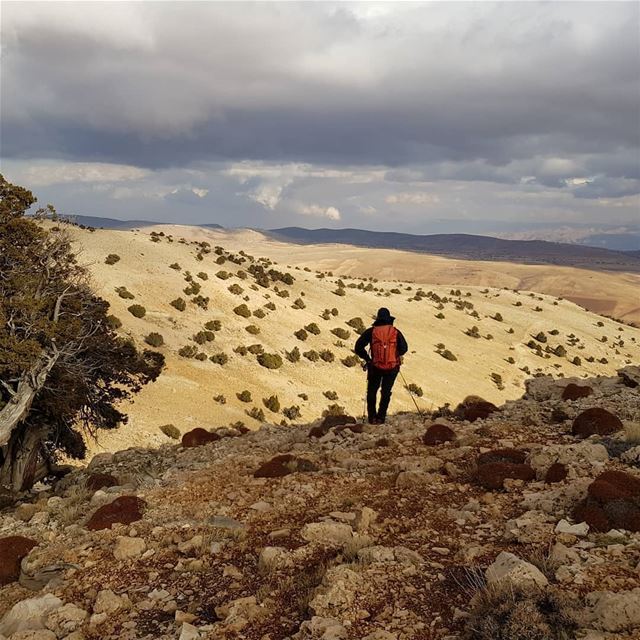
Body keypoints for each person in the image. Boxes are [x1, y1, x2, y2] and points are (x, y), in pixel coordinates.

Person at [354, 307, 408, 424]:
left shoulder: (371, 332)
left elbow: (358, 347)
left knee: (372, 391)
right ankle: (381, 417)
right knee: (386, 392)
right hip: (392, 367)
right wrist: (395, 354)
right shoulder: (395, 332)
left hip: (375, 367)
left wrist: (368, 359)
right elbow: (404, 348)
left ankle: (372, 418)